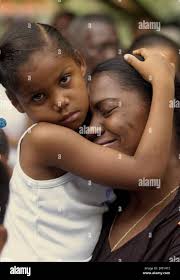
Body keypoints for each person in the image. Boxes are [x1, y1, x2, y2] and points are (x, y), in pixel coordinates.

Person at [0, 22, 175, 261]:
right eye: (38, 96)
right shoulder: (44, 138)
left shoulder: (80, 132)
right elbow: (146, 173)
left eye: (63, 80)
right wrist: (164, 84)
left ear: (80, 63)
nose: (60, 101)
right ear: (17, 103)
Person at [88, 57, 180, 262]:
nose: (91, 129)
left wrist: (163, 82)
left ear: (159, 106)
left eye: (108, 110)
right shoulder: (97, 203)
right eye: (88, 119)